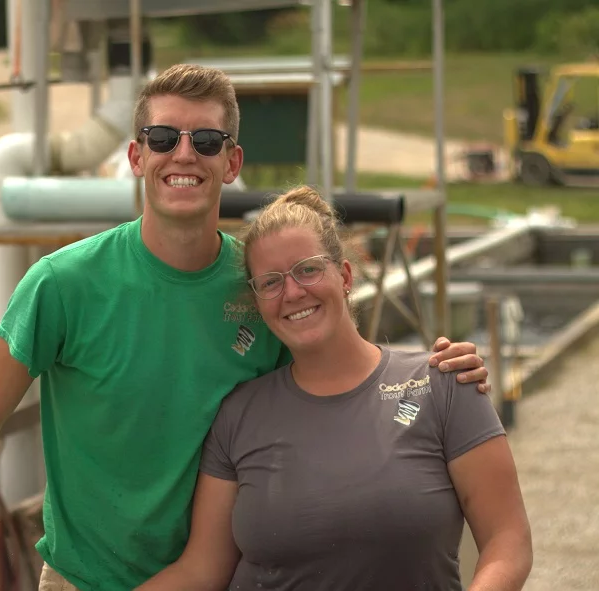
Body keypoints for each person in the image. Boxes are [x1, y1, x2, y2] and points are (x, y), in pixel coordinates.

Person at [0, 64, 492, 591]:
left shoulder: (262, 287)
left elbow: (334, 374)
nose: (184, 154)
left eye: (205, 139)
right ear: (136, 155)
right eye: (165, 136)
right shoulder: (62, 284)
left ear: (232, 161)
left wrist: (429, 374)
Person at [138, 186, 533, 591]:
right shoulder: (238, 414)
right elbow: (202, 570)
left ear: (344, 276)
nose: (292, 292)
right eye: (270, 282)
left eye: (307, 269)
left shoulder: (443, 383)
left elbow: (508, 540)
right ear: (258, 302)